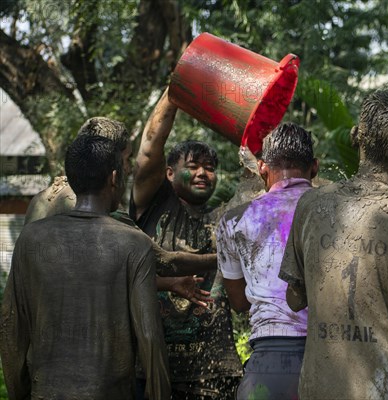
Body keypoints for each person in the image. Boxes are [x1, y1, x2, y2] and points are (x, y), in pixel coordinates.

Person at [278, 90, 388, 399]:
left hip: (319, 388)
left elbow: (294, 299)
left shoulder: (311, 204)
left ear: (356, 135)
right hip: (386, 390)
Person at [0, 134, 171, 399]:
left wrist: (19, 394)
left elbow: (11, 328)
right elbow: (149, 335)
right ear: (114, 178)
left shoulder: (31, 239)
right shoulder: (134, 244)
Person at [24, 117, 215, 301]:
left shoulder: (41, 198)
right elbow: (164, 262)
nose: (130, 169)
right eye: (127, 159)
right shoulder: (97, 203)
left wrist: (169, 284)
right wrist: (223, 257)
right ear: (107, 155)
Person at [130, 88, 242, 399]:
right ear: (169, 172)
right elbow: (151, 147)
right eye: (193, 166)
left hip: (215, 373)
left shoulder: (225, 218)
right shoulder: (150, 206)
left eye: (210, 168)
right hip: (153, 369)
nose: (203, 173)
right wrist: (177, 90)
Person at [217, 122, 318, 399]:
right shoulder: (336, 212)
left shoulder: (234, 220)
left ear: (261, 167)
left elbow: (238, 302)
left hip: (268, 359)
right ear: (315, 167)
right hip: (329, 354)